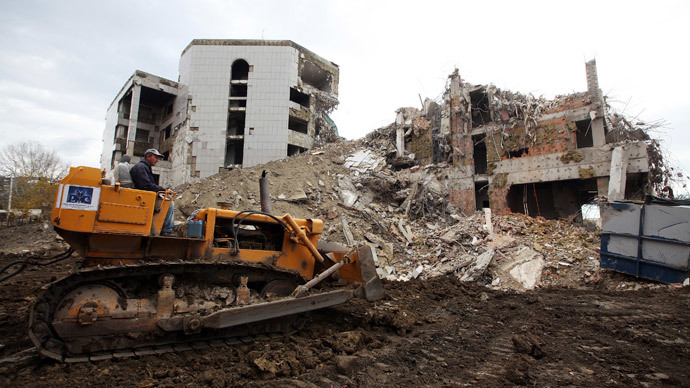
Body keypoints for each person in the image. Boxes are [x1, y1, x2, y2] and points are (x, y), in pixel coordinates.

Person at [130, 148, 175, 236]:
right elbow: (146, 185)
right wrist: (164, 190)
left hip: (144, 195)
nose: (157, 160)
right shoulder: (141, 168)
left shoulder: (144, 167)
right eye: (156, 157)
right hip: (143, 197)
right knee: (169, 203)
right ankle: (166, 230)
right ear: (148, 156)